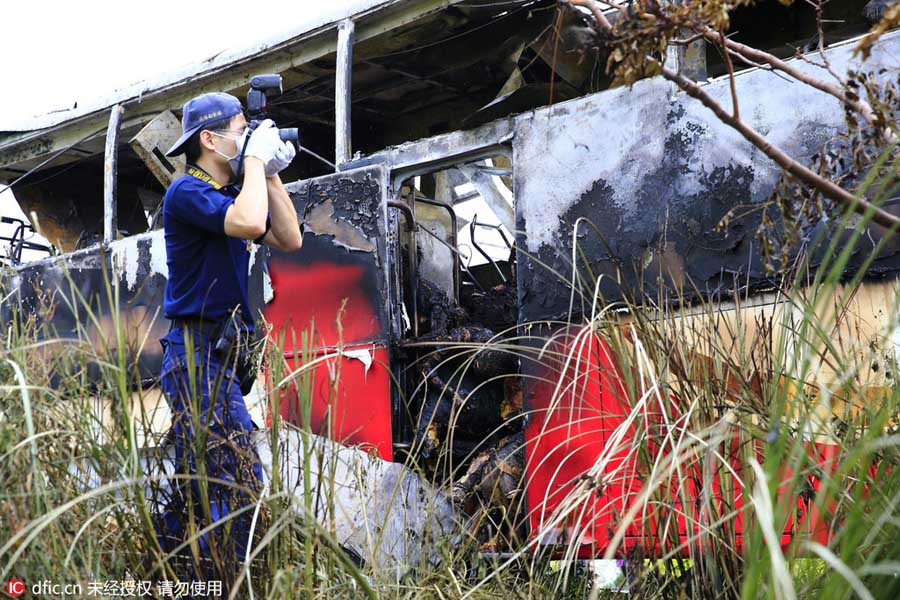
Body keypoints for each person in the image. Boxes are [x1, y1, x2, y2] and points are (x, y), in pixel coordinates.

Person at [153, 92, 302, 577]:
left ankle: (179, 576)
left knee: (205, 485)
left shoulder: (222, 195)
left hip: (218, 355)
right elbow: (250, 221)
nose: (246, 137)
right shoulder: (186, 191)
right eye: (241, 129)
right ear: (210, 140)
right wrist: (255, 161)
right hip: (195, 355)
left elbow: (289, 237)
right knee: (237, 480)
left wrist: (271, 169)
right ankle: (228, 582)